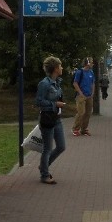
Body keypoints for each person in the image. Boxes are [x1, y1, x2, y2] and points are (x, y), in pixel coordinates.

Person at [36, 56, 67, 184]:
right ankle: (44, 175)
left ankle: (44, 166)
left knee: (61, 146)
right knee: (47, 148)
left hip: (56, 118)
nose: (62, 68)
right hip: (47, 119)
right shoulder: (44, 84)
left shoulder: (57, 82)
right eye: (60, 66)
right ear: (55, 68)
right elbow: (39, 102)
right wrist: (55, 104)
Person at [72, 57, 95, 136]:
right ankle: (75, 129)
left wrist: (92, 93)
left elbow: (92, 83)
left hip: (89, 96)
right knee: (81, 112)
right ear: (87, 63)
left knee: (88, 113)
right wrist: (80, 93)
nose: (93, 63)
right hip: (81, 96)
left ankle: (84, 129)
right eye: (91, 62)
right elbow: (75, 83)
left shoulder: (91, 72)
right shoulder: (80, 72)